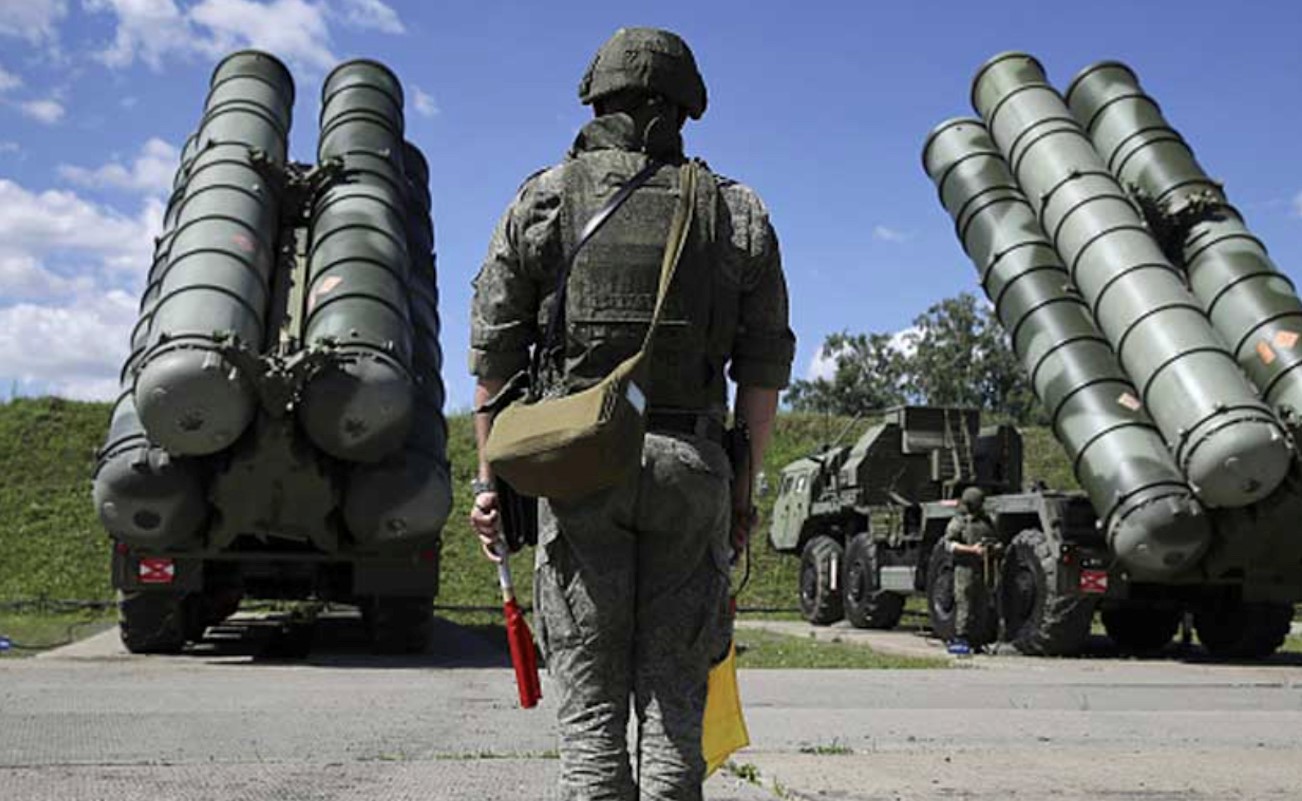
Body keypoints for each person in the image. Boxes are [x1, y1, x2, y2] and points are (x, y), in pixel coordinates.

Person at [467, 27, 795, 801]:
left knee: (589, 720)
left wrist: (490, 483)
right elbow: (761, 375)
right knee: (676, 711)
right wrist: (741, 496)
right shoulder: (737, 212)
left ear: (597, 97)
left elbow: (494, 359)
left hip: (578, 470)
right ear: (685, 107)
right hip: (692, 468)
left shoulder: (544, 199)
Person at [943, 486, 998, 654]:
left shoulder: (986, 522)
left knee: (982, 605)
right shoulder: (959, 522)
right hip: (965, 568)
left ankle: (978, 641)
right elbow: (950, 545)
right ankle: (961, 639)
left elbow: (995, 539)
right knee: (965, 604)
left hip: (983, 568)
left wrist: (994, 548)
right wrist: (972, 550)